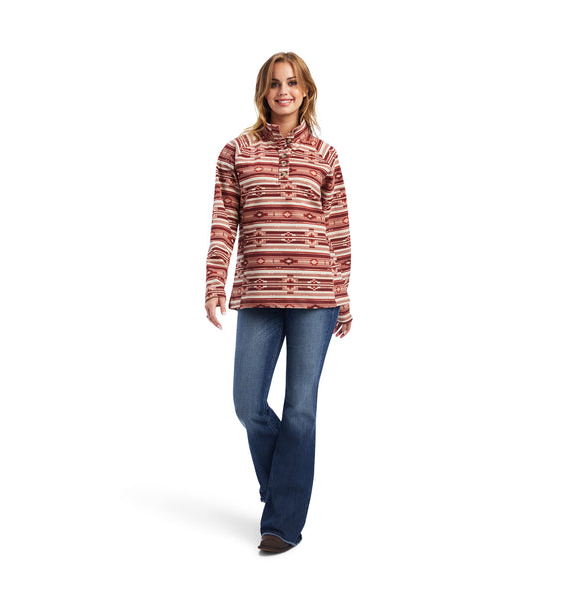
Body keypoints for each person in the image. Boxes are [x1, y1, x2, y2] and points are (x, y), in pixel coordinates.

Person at [204, 51, 352, 553]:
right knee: (248, 404)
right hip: (258, 293)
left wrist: (344, 296)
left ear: (305, 91)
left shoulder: (326, 155)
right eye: (274, 83)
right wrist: (214, 281)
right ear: (263, 92)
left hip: (317, 295)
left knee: (300, 410)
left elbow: (338, 230)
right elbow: (224, 221)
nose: (282, 91)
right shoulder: (236, 151)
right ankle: (285, 494)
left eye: (291, 83)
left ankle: (282, 523)